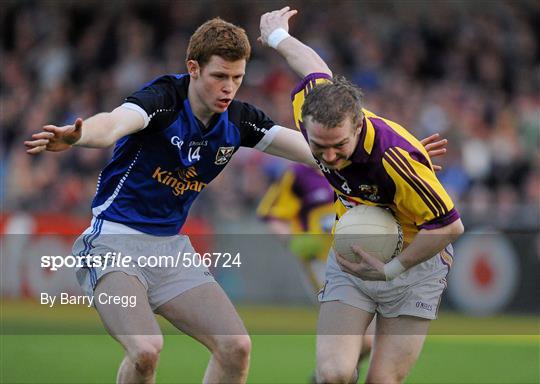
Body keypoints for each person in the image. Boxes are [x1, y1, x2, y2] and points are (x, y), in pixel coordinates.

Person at [24, 17, 317, 384]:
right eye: (219, 76)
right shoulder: (163, 99)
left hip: (171, 252)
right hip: (113, 244)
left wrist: (361, 152)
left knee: (236, 347)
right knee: (146, 349)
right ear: (193, 68)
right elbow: (113, 124)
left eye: (237, 78)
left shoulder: (239, 120)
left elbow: (311, 151)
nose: (229, 88)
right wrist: (78, 137)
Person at [259, 7, 464, 384]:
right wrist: (277, 36)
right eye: (319, 147)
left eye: (339, 146)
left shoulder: (394, 159)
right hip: (351, 257)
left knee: (382, 380)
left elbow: (450, 228)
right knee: (334, 373)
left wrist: (391, 269)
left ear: (358, 124)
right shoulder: (315, 109)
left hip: (416, 266)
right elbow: (313, 67)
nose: (330, 158)